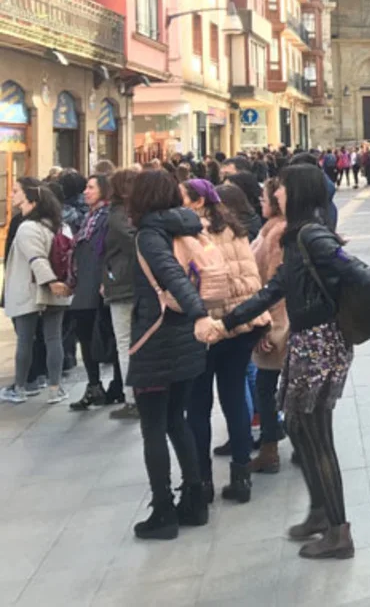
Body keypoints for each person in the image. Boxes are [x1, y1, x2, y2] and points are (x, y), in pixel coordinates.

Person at [204, 164, 370, 559]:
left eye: (283, 188)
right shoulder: (295, 238)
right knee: (297, 425)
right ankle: (320, 512)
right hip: (305, 341)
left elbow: (355, 268)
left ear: (299, 193)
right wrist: (227, 323)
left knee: (316, 433)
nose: (276, 193)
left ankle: (339, 532)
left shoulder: (312, 235)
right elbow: (274, 290)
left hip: (321, 343)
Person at [127, 170, 216, 539]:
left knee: (153, 427)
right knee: (177, 420)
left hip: (156, 340)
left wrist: (200, 313)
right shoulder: (184, 226)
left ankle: (163, 510)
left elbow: (172, 277)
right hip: (186, 340)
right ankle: (195, 500)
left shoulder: (150, 234)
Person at [181, 178, 270, 505]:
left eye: (183, 197)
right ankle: (241, 475)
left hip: (207, 327)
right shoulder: (235, 227)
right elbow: (252, 277)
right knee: (234, 397)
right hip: (242, 323)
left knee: (198, 404)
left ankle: (202, 481)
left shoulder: (188, 234)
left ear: (198, 202)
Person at [1, 184, 72, 404]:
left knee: (25, 339)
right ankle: (55, 388)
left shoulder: (27, 228)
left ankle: (20, 388)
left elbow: (36, 259)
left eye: (18, 193)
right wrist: (60, 283)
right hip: (59, 289)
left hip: (30, 288)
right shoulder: (62, 227)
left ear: (32, 201)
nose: (13, 196)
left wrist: (50, 282)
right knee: (54, 338)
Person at [68, 174, 121, 410]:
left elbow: (110, 250)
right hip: (85, 285)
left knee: (108, 336)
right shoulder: (89, 217)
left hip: (98, 285)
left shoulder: (107, 217)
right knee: (87, 335)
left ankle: (116, 385)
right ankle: (95, 385)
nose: (86, 192)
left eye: (91, 188)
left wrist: (106, 279)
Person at [247, 178, 288, 474]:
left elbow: (275, 285)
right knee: (274, 385)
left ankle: (270, 448)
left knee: (267, 386)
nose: (260, 202)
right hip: (276, 317)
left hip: (279, 321)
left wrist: (268, 326)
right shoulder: (270, 230)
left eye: (264, 197)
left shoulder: (277, 234)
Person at [103, 169, 139, 419]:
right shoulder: (135, 212)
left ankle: (133, 398)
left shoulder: (117, 215)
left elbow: (132, 244)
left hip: (123, 283)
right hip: (132, 282)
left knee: (125, 342)